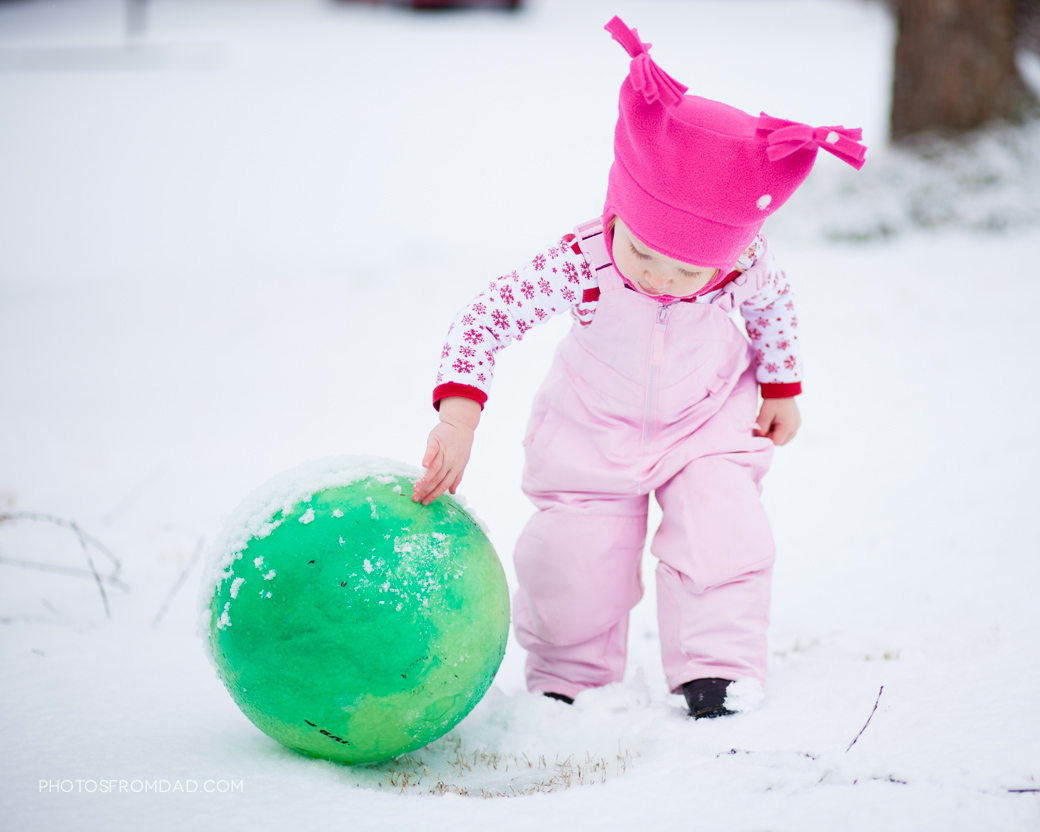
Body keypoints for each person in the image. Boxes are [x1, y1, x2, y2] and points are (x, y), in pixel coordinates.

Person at [412, 16, 866, 718]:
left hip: (707, 421)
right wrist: (458, 417)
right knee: (576, 559)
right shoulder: (584, 260)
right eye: (644, 252)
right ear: (618, 211)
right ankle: (570, 677)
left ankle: (717, 672)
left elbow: (774, 307)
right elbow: (487, 318)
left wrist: (781, 386)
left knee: (722, 531)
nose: (661, 276)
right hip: (591, 432)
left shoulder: (744, 264)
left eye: (688, 268)